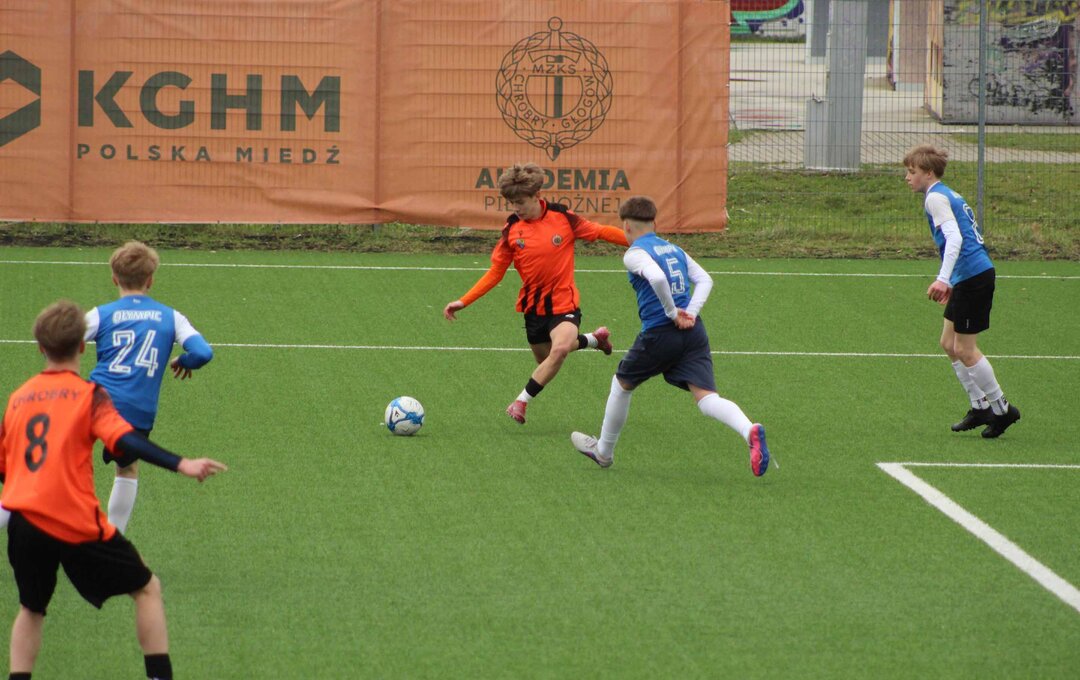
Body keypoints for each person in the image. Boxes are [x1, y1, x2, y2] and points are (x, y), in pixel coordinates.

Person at [0, 300, 227, 680]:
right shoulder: (89, 396)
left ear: (40, 347)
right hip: (73, 522)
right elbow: (126, 441)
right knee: (147, 588)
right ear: (82, 346)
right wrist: (181, 463)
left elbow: (5, 465)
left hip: (24, 525)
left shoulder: (19, 398)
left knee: (31, 609)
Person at [570, 196, 770, 476]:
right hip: (694, 332)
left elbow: (657, 278)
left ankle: (603, 452)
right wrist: (690, 313)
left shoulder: (634, 254)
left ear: (626, 226)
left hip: (660, 332)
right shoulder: (674, 249)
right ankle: (749, 430)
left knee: (622, 384)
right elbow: (705, 279)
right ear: (655, 223)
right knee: (706, 398)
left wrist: (673, 313)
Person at [443, 163, 629, 424]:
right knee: (548, 358)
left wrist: (642, 241)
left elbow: (600, 232)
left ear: (536, 196)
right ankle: (594, 340)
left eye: (520, 202)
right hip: (533, 310)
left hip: (564, 303)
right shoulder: (511, 230)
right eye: (512, 203)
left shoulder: (562, 217)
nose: (516, 208)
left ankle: (520, 402)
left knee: (560, 350)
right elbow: (495, 272)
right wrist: (464, 301)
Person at [84, 241, 214, 533]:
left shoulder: (102, 314)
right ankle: (114, 539)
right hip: (137, 410)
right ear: (151, 280)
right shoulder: (171, 317)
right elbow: (203, 353)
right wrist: (183, 361)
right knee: (127, 468)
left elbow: (62, 339)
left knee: (56, 462)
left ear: (114, 278)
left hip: (93, 401)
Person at [903, 144, 1020, 438]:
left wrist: (944, 279)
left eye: (912, 172)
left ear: (928, 173)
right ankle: (980, 407)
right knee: (948, 343)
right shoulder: (944, 194)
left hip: (974, 276)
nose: (907, 177)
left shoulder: (935, 198)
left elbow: (955, 239)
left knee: (965, 350)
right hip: (967, 277)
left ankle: (1003, 409)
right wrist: (953, 280)